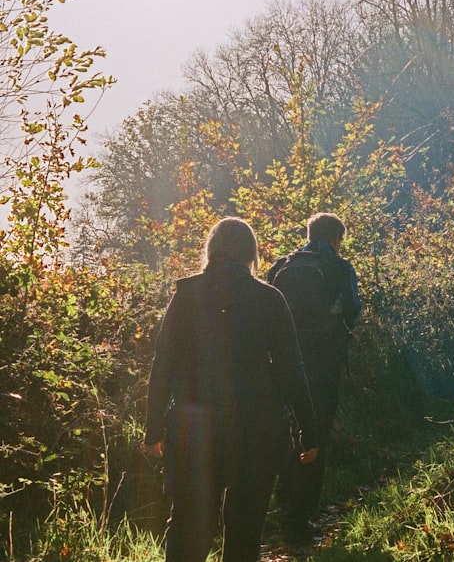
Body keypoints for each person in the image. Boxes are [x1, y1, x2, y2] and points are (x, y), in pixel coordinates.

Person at [140, 217, 318, 562]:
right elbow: (291, 371)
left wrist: (153, 429)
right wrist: (308, 431)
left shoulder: (185, 295)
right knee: (245, 531)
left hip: (194, 428)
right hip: (257, 429)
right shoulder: (269, 298)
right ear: (250, 254)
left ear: (211, 250)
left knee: (189, 527)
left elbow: (162, 366)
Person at [267, 212, 361, 546]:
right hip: (323, 366)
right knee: (315, 434)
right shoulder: (341, 268)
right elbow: (354, 309)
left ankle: (280, 508)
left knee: (287, 430)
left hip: (280, 365)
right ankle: (299, 519)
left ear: (308, 233)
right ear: (336, 238)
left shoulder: (281, 265)